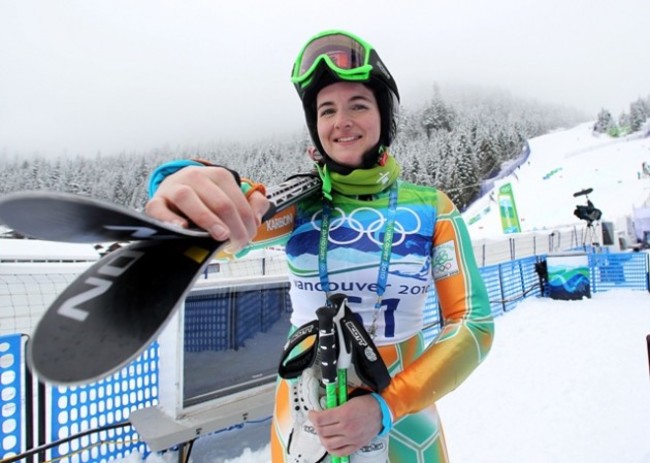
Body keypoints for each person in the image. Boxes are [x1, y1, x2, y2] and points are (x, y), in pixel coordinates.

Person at [146, 29, 494, 462]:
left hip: (406, 423)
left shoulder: (431, 208)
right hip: (303, 420)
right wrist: (183, 182)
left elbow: (473, 323)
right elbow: (239, 217)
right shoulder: (301, 203)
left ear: (384, 118)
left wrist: (385, 406)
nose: (341, 121)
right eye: (326, 110)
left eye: (358, 105)